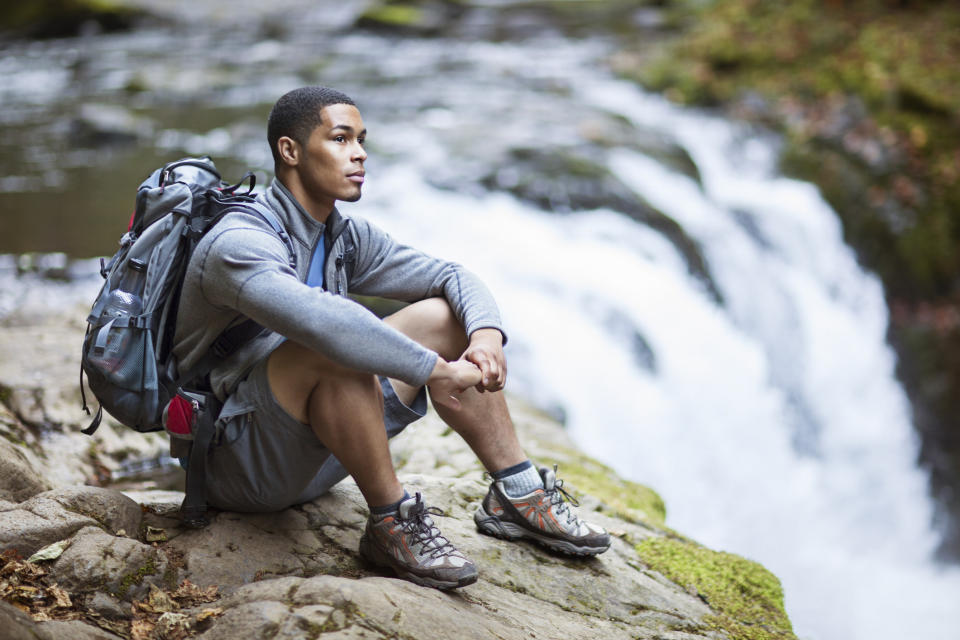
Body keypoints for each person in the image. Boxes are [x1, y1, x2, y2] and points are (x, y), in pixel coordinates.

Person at [172, 86, 610, 590]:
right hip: (241, 466)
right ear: (290, 151)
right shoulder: (239, 244)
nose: (359, 154)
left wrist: (486, 334)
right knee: (334, 346)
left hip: (318, 449)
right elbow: (324, 323)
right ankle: (390, 523)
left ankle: (518, 492)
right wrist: (436, 371)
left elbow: (451, 275)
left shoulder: (342, 236)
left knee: (445, 317)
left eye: (361, 140)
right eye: (340, 139)